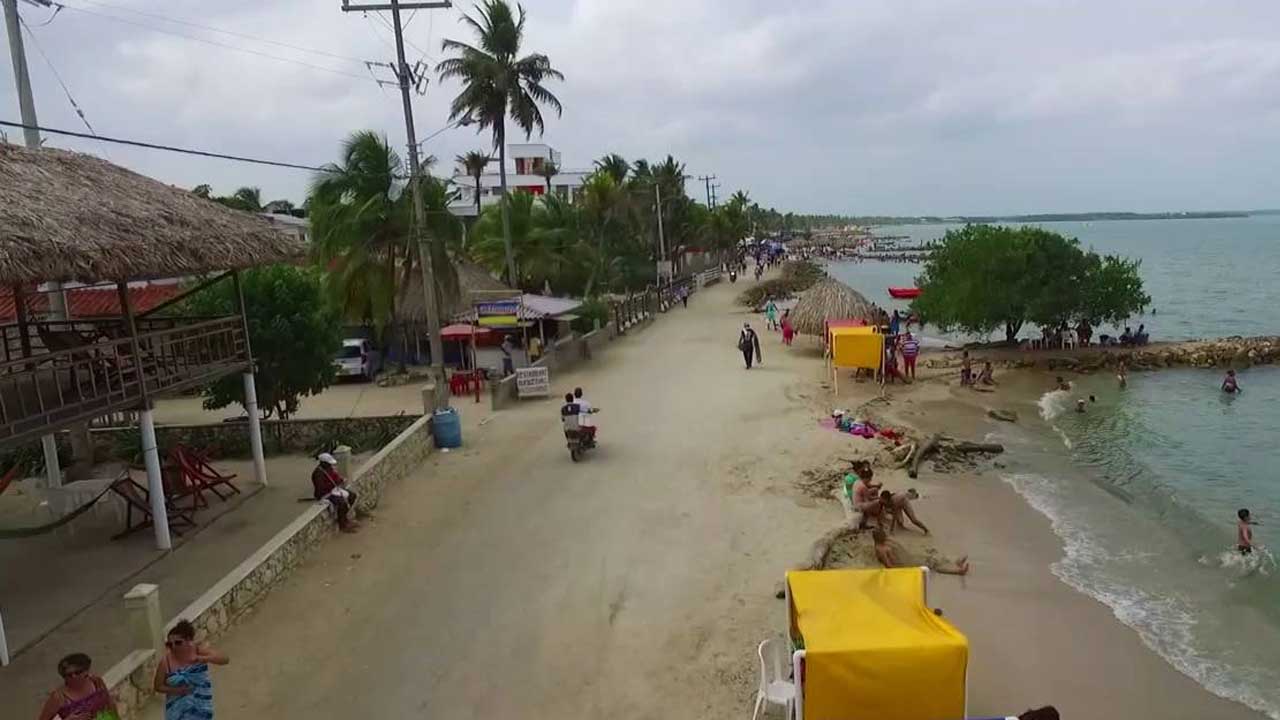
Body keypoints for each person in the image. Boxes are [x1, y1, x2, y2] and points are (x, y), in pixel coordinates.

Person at [154, 619, 228, 720]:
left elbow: (225, 659)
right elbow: (158, 686)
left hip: (201, 707)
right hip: (176, 711)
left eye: (178, 643)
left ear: (188, 640)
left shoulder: (198, 652)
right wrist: (177, 691)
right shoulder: (165, 662)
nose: (173, 647)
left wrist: (204, 659)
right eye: (170, 644)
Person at [38, 652, 118, 720]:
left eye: (78, 672)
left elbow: (110, 703)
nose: (74, 677)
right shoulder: (59, 697)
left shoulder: (96, 681)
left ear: (86, 671)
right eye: (68, 675)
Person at [872, 528, 969, 575]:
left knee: (930, 559)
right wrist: (903, 572)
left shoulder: (884, 543)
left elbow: (888, 541)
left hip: (906, 559)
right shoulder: (881, 550)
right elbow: (889, 566)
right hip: (903, 564)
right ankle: (958, 571)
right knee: (932, 566)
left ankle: (956, 562)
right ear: (879, 537)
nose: (886, 536)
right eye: (883, 535)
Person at [311, 453, 359, 533]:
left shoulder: (328, 469)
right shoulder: (317, 474)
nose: (330, 465)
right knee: (342, 503)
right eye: (329, 464)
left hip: (333, 490)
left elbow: (335, 476)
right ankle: (342, 524)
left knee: (352, 496)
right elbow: (321, 488)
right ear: (323, 463)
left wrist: (340, 479)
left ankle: (344, 518)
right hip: (324, 494)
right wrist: (336, 483)